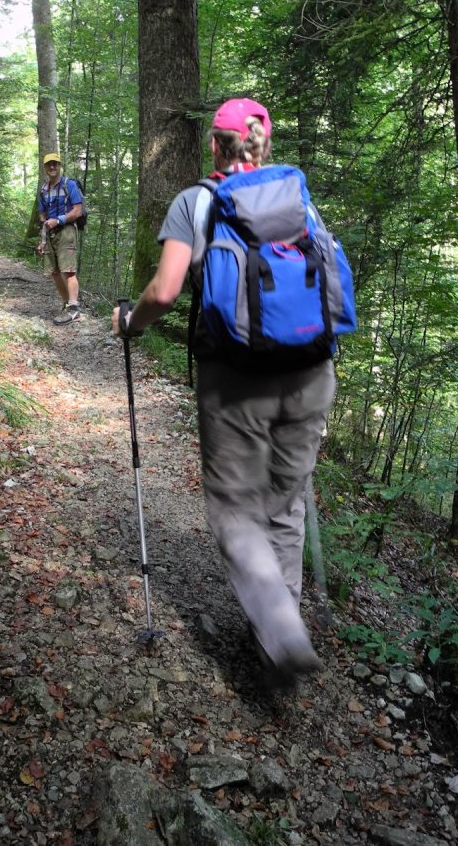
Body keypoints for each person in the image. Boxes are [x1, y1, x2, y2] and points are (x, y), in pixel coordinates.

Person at [112, 98, 336, 687]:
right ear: (264, 144)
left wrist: (128, 325)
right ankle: (277, 627)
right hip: (312, 374)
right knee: (285, 504)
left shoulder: (197, 201)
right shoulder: (300, 201)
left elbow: (163, 293)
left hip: (236, 382)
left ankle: (281, 632)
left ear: (215, 145)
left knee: (236, 508)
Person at [37, 152, 84, 325]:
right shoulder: (44, 189)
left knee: (69, 270)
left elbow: (77, 210)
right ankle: (67, 305)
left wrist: (59, 220)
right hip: (49, 233)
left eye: (55, 164)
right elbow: (42, 214)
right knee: (54, 272)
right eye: (49, 164)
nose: (52, 167)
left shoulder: (69, 185)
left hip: (66, 231)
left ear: (59, 165)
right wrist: (42, 239)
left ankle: (73, 309)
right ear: (45, 167)